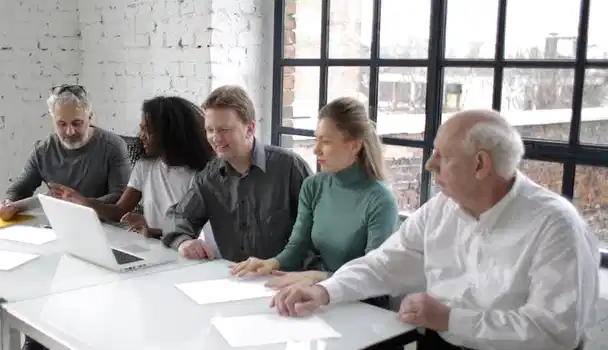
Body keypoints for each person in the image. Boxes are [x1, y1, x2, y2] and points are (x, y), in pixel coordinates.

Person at [269, 109, 600, 350]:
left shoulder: (555, 225)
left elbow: (556, 331)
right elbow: (385, 262)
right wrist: (327, 290)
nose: (430, 165)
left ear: (480, 164)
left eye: (442, 156)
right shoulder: (442, 208)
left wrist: (450, 319)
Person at [229, 97, 399, 299]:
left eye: (325, 142)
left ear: (354, 146)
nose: (315, 149)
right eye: (316, 139)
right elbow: (297, 246)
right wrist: (270, 263)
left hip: (363, 306)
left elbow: (373, 277)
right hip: (318, 295)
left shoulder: (380, 200)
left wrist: (318, 277)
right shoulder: (313, 186)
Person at [161, 85, 314, 262]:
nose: (215, 138)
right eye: (210, 130)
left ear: (249, 129)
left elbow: (320, 230)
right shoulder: (208, 178)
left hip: (288, 281)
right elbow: (178, 217)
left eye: (224, 130)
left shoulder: (290, 168)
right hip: (237, 280)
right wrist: (184, 242)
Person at [51, 95, 215, 239]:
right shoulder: (145, 166)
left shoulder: (200, 175)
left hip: (185, 252)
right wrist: (82, 201)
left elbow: (194, 234)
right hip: (154, 247)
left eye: (147, 130)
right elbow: (120, 210)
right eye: (141, 128)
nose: (141, 136)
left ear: (167, 134)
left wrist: (152, 231)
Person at [0, 84, 131, 220]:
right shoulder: (43, 151)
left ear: (90, 117)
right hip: (58, 224)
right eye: (62, 124)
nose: (69, 132)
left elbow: (120, 198)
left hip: (103, 226)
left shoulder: (113, 146)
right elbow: (20, 189)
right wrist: (7, 203)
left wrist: (78, 202)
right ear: (53, 120)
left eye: (77, 123)